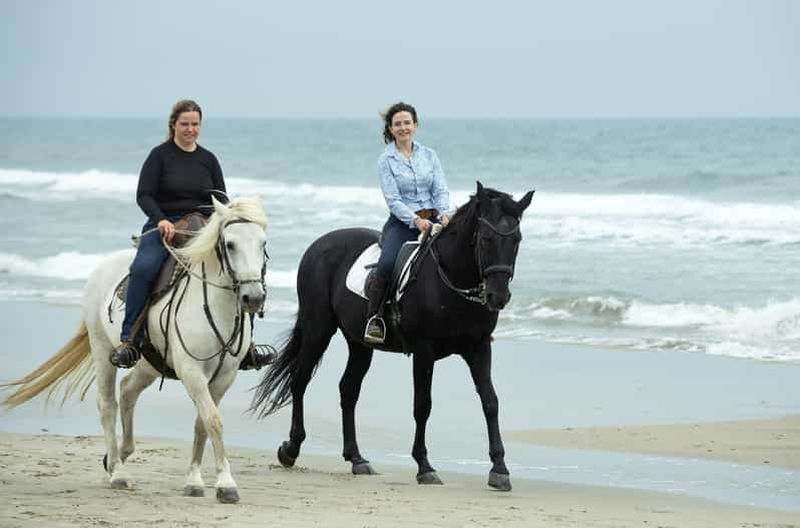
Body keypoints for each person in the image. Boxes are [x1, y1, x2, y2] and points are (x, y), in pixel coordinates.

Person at [110, 100, 271, 370]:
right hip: (166, 226)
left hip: (204, 227)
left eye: (195, 124)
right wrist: (161, 219)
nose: (190, 129)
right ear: (174, 124)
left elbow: (221, 198)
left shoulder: (208, 159)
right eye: (185, 124)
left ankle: (246, 346)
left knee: (245, 269)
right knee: (143, 268)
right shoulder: (159, 156)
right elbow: (144, 195)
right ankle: (130, 340)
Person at [364, 102, 451, 344]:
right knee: (387, 264)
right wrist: (415, 220)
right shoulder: (386, 160)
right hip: (403, 223)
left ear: (415, 125)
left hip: (435, 218)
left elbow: (440, 189)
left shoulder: (430, 155)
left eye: (407, 123)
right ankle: (376, 318)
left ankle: (471, 318)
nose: (403, 127)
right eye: (398, 124)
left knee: (461, 255)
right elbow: (393, 200)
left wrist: (443, 213)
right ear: (391, 129)